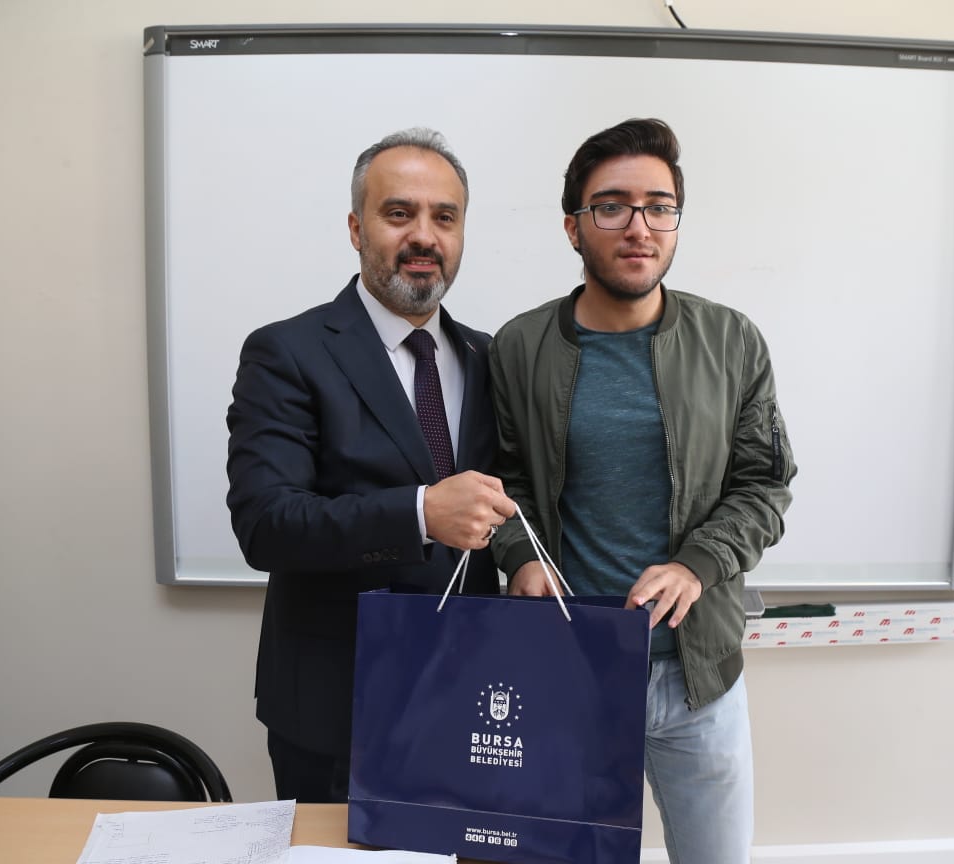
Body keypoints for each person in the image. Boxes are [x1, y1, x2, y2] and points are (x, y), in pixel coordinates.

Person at [488, 118, 797, 864]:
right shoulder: (519, 347)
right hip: (572, 669)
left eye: (660, 207)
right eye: (612, 206)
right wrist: (518, 555)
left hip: (700, 677)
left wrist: (696, 563)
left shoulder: (732, 341)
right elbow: (504, 480)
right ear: (573, 226)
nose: (639, 227)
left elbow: (764, 484)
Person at [226, 127, 516, 803]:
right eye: (399, 213)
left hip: (473, 695)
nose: (424, 236)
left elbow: (512, 495)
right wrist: (419, 513)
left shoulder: (489, 356)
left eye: (444, 217)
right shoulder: (286, 352)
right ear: (357, 228)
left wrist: (525, 558)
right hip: (337, 707)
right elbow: (266, 524)